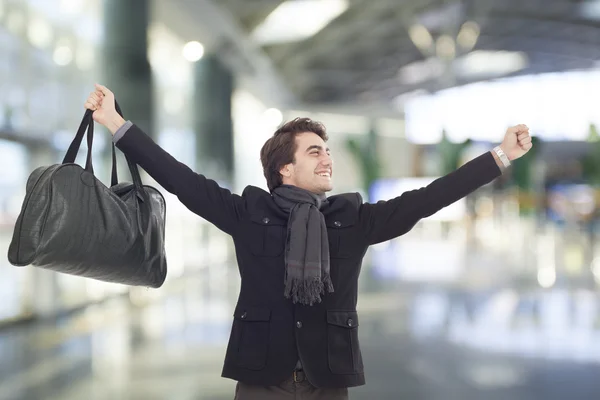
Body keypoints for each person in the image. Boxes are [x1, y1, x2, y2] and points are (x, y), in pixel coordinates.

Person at [85, 84, 532, 400]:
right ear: (285, 169)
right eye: (314, 151)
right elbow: (179, 178)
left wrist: (500, 156)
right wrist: (116, 123)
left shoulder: (352, 218)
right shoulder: (248, 214)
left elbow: (428, 199)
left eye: (327, 150)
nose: (327, 158)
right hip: (262, 377)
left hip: (327, 378)